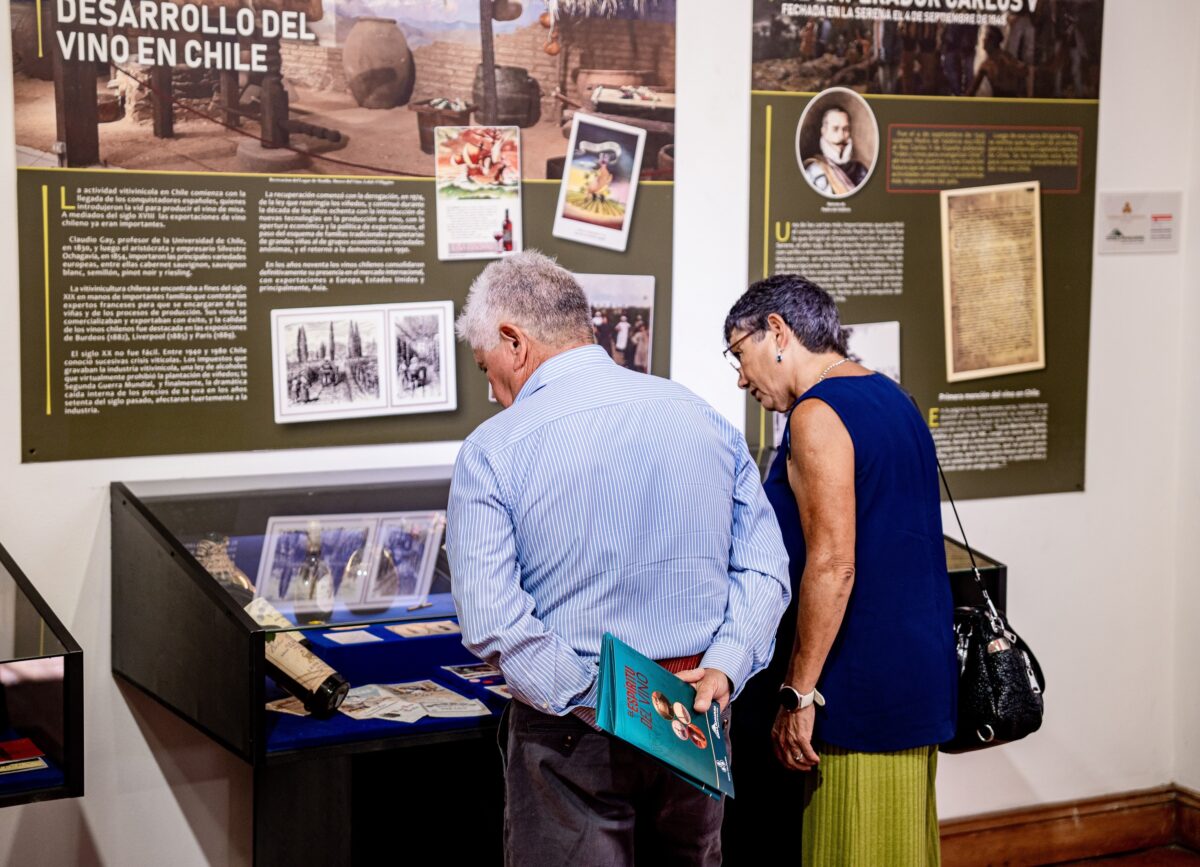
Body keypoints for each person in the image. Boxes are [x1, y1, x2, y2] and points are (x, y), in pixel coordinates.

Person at [447, 251, 790, 867]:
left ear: (513, 340)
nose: (494, 392)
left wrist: (606, 699)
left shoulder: (491, 451)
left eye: (486, 367)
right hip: (696, 714)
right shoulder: (702, 419)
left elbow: (494, 621)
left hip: (572, 728)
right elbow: (765, 570)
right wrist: (725, 667)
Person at [720, 274, 956, 866]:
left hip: (855, 672)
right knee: (896, 840)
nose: (742, 377)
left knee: (852, 842)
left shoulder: (817, 412)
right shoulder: (890, 396)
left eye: (738, 354)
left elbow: (832, 565)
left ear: (776, 331)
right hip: (914, 660)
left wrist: (798, 692)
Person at [802, 105, 869, 197]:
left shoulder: (860, 170)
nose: (841, 135)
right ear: (824, 131)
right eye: (835, 129)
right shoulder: (814, 170)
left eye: (845, 129)